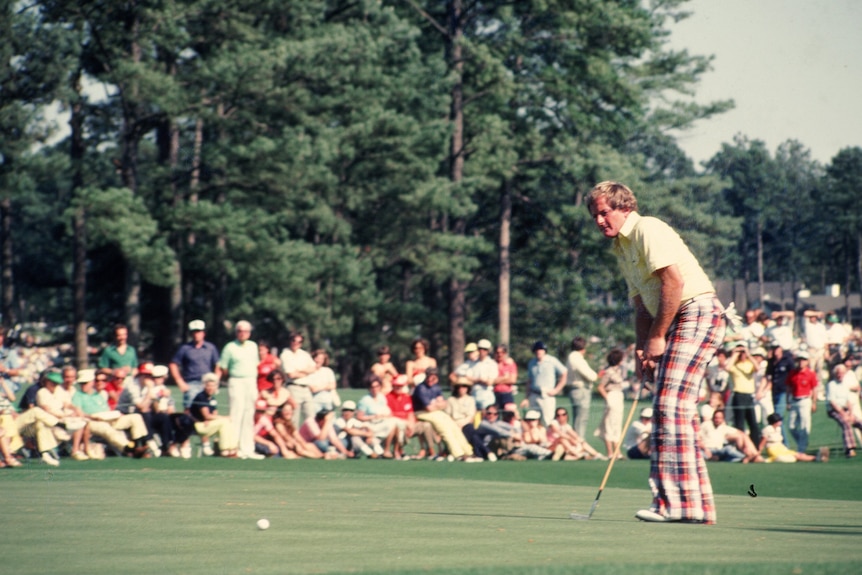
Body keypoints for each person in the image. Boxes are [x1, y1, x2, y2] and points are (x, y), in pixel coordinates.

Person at [588, 181, 726, 524]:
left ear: (624, 207)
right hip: (675, 319)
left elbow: (673, 283)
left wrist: (657, 337)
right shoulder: (621, 247)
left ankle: (673, 505)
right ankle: (695, 506)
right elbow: (641, 307)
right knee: (673, 407)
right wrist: (642, 348)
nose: (600, 221)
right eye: (595, 216)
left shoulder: (648, 228)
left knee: (670, 405)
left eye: (605, 213)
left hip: (696, 312)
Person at [72, 369, 150, 459]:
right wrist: (93, 417)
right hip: (92, 422)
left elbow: (107, 409)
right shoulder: (78, 395)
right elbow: (79, 414)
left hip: (107, 418)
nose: (83, 386)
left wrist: (114, 415)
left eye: (86, 383)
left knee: (135, 417)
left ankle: (140, 444)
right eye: (82, 383)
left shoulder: (98, 394)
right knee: (106, 428)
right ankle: (129, 449)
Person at [215, 320, 263, 459]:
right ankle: (233, 448)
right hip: (236, 381)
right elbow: (223, 367)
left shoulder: (253, 346)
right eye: (240, 331)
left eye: (246, 331)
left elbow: (256, 365)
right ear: (236, 332)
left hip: (250, 381)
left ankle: (248, 449)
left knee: (249, 416)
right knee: (236, 414)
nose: (243, 334)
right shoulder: (230, 347)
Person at [412, 367, 474, 460]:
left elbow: (444, 404)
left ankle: (468, 452)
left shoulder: (436, 387)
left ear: (436, 377)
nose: (430, 380)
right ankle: (458, 454)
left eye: (433, 378)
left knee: (453, 426)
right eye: (428, 377)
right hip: (421, 412)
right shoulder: (421, 388)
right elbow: (429, 408)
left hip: (435, 412)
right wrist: (438, 405)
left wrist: (436, 405)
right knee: (444, 429)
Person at [169, 319, 220, 409]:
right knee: (190, 410)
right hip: (191, 384)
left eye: (199, 331)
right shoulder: (185, 349)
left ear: (203, 333)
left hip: (206, 385)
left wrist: (215, 382)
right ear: (191, 334)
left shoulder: (210, 348)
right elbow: (173, 365)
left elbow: (218, 365)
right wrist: (179, 382)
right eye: (194, 332)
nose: (196, 334)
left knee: (208, 410)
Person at [188, 373, 238, 458]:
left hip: (208, 424)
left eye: (213, 386)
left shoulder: (212, 398)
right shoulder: (201, 397)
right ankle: (224, 449)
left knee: (228, 422)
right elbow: (207, 416)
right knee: (224, 422)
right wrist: (223, 417)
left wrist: (217, 418)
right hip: (199, 425)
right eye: (209, 386)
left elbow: (214, 414)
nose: (211, 388)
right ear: (205, 386)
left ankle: (232, 448)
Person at [522, 341, 567, 426]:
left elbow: (564, 373)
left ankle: (548, 439)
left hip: (546, 395)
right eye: (537, 350)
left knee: (548, 421)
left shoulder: (552, 361)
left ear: (545, 350)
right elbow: (529, 381)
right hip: (534, 394)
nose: (539, 352)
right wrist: (526, 397)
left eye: (541, 350)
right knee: (533, 421)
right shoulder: (532, 363)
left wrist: (557, 390)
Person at [726, 343, 761, 449]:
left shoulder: (749, 363)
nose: (742, 354)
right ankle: (741, 447)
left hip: (749, 396)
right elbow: (727, 367)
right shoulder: (734, 364)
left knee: (753, 423)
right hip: (738, 395)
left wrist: (748, 354)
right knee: (739, 424)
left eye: (743, 352)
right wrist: (734, 354)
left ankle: (755, 446)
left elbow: (757, 368)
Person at [279, 332, 317, 429]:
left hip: (306, 388)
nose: (296, 343)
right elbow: (291, 374)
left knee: (311, 417)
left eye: (299, 342)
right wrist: (306, 371)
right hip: (293, 387)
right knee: (294, 418)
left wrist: (299, 371)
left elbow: (313, 368)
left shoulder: (304, 354)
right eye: (294, 341)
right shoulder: (285, 354)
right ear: (290, 341)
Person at [564, 336, 598, 440]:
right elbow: (590, 376)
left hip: (578, 390)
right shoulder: (575, 358)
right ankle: (578, 445)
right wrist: (595, 375)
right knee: (580, 420)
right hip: (580, 390)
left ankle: (578, 443)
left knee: (579, 419)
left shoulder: (573, 357)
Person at [356, 376, 398, 457]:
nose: (374, 389)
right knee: (392, 424)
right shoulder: (365, 400)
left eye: (377, 386)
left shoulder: (381, 397)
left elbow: (387, 411)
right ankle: (384, 450)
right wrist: (373, 417)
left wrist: (385, 416)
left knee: (394, 423)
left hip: (381, 422)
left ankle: (391, 450)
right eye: (372, 387)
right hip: (370, 425)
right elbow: (359, 417)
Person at [785, 351, 819, 454]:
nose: (801, 362)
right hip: (794, 400)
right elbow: (788, 387)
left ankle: (801, 448)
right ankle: (802, 442)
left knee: (805, 425)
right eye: (799, 360)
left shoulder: (810, 373)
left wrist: (814, 402)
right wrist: (787, 401)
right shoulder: (793, 373)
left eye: (803, 360)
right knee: (791, 426)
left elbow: (814, 389)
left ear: (807, 361)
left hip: (805, 400)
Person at [595, 348, 626, 459]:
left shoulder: (618, 370)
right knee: (609, 425)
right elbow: (600, 387)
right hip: (612, 396)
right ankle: (610, 453)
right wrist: (608, 399)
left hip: (619, 396)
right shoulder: (608, 372)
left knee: (617, 425)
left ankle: (617, 452)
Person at [826, 364, 862, 457]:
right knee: (846, 424)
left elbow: (848, 401)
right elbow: (832, 402)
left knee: (859, 423)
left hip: (846, 410)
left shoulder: (845, 384)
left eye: (842, 373)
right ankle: (850, 449)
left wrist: (850, 414)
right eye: (838, 373)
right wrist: (843, 414)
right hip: (834, 410)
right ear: (835, 374)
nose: (840, 375)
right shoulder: (831, 385)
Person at [758, 413, 824, 463]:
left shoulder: (778, 428)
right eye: (778, 421)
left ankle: (816, 457)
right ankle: (816, 458)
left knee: (797, 454)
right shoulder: (767, 429)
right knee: (795, 456)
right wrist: (758, 453)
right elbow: (763, 442)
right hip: (773, 449)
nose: (780, 422)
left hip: (781, 447)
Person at [765, 345, 794, 444]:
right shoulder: (772, 362)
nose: (775, 351)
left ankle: (785, 443)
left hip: (784, 391)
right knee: (779, 419)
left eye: (777, 349)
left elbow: (792, 374)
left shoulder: (787, 361)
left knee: (777, 417)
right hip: (774, 391)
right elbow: (768, 374)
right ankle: (781, 442)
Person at [306, 349, 339, 413]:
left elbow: (333, 385)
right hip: (314, 401)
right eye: (317, 358)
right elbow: (313, 389)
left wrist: (319, 387)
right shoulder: (309, 372)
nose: (319, 360)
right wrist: (326, 386)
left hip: (328, 401)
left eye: (321, 359)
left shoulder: (328, 371)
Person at [492, 344, 518, 408]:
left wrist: (497, 380)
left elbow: (512, 380)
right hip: (494, 393)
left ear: (505, 353)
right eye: (497, 352)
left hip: (506, 393)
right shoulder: (492, 364)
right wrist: (505, 378)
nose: (499, 355)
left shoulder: (510, 364)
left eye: (502, 352)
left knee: (509, 411)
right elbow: (491, 380)